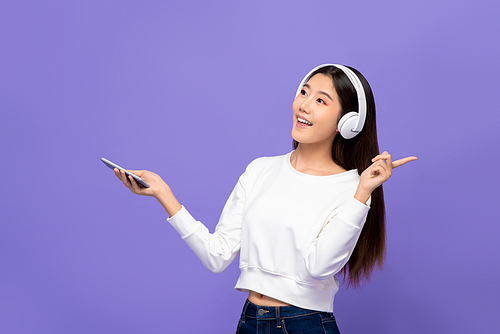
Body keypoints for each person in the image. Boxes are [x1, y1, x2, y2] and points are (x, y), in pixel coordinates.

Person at [113, 64, 417, 334]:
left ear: (348, 122)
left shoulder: (351, 187)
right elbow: (216, 255)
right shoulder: (260, 169)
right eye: (304, 92)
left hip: (306, 324)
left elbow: (319, 267)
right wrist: (163, 193)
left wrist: (363, 192)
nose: (304, 106)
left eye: (321, 101)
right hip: (250, 321)